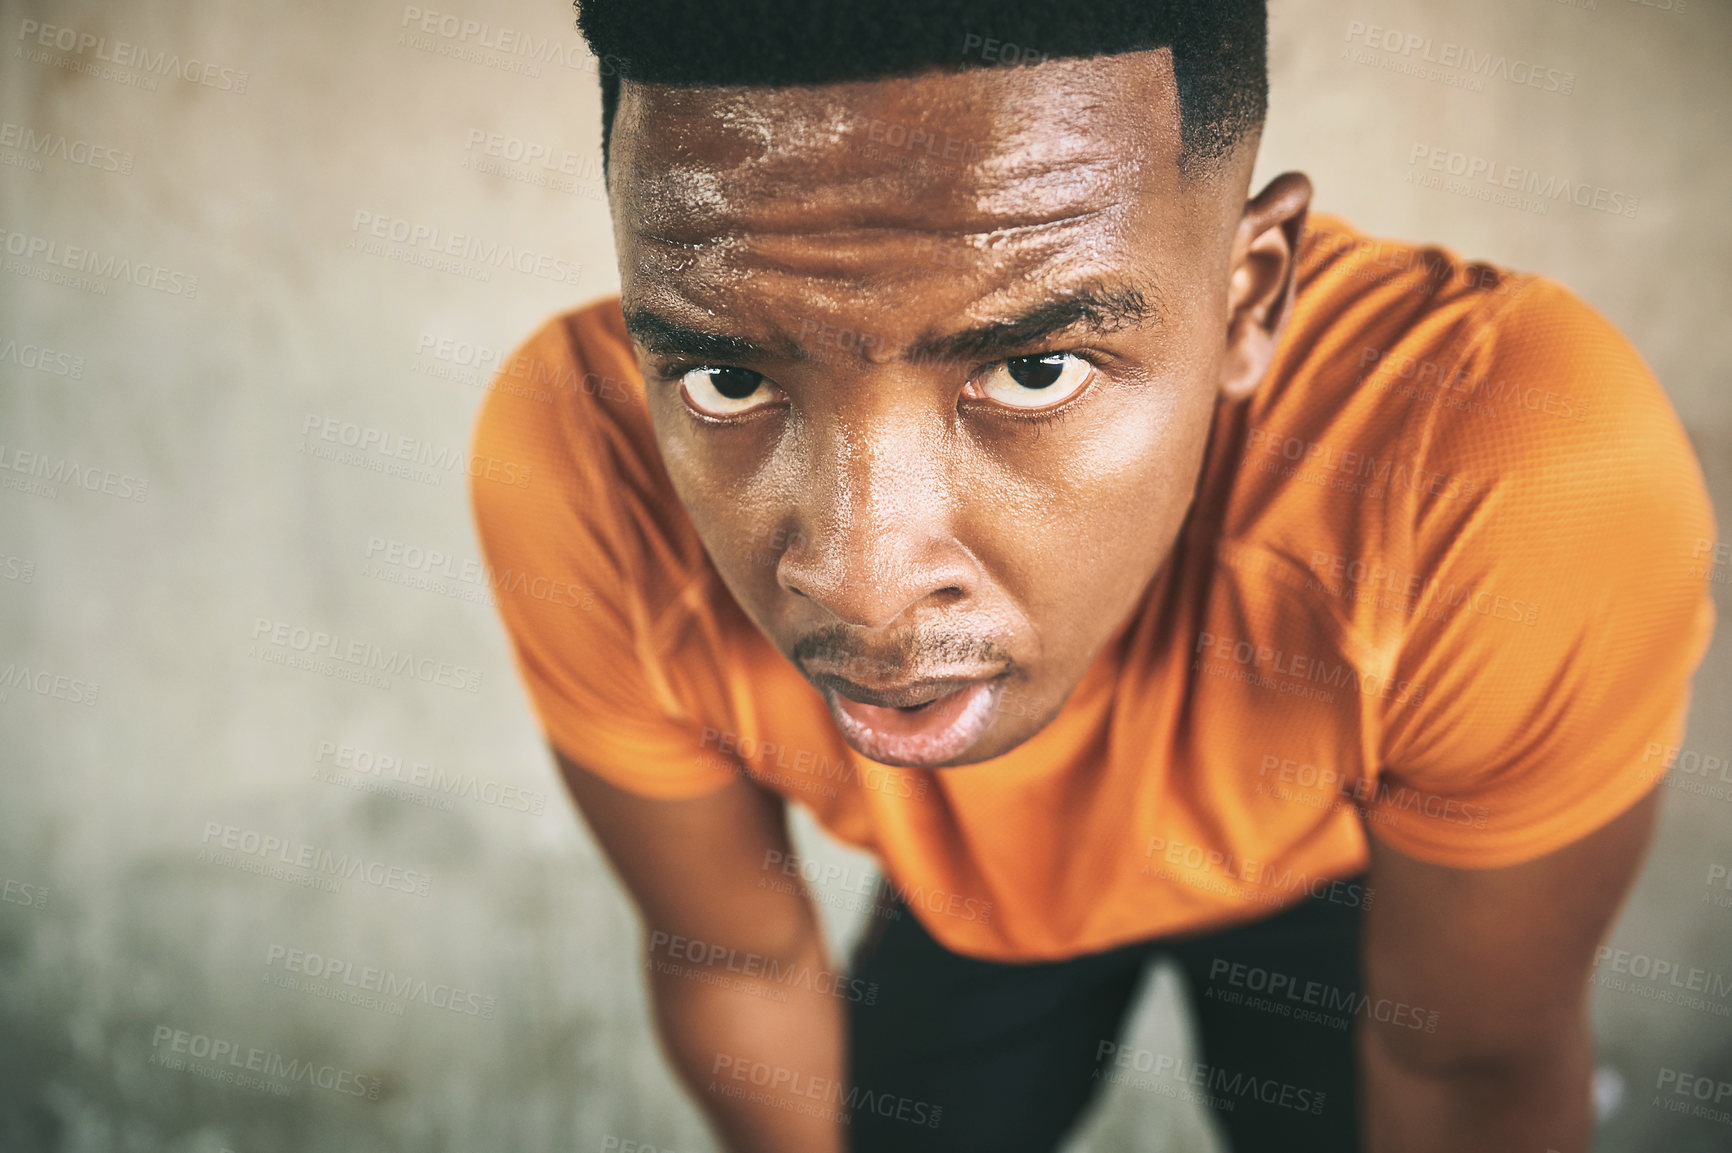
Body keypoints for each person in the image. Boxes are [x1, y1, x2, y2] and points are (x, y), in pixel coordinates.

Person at [468, 2, 1717, 1150]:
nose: (859, 581)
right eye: (730, 381)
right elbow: (734, 959)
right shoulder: (583, 455)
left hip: (1335, 860)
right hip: (966, 897)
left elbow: (1472, 1074)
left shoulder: (1504, 467)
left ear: (1248, 301)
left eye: (1033, 369)